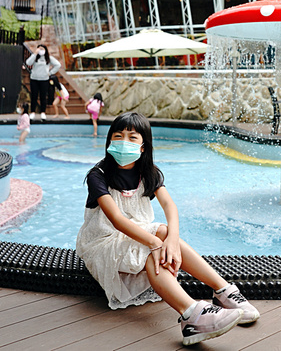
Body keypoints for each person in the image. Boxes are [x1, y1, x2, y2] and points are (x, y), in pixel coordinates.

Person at [76, 112, 260, 346]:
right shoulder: (98, 175)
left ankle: (222, 290)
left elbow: (169, 205)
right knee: (155, 244)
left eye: (133, 138)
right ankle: (191, 313)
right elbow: (116, 220)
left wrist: (171, 240)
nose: (124, 142)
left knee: (163, 231)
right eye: (118, 136)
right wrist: (155, 244)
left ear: (143, 146)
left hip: (137, 234)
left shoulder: (148, 172)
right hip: (103, 242)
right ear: (110, 141)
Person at [25, 45, 61, 120]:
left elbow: (58, 65)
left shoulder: (48, 58)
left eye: (42, 49)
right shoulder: (35, 57)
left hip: (44, 79)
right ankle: (32, 112)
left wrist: (50, 73)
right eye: (39, 49)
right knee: (34, 96)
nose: (41, 51)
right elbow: (28, 63)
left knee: (43, 96)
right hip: (34, 79)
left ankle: (43, 112)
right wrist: (35, 53)